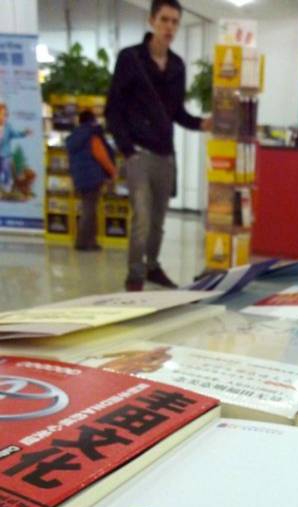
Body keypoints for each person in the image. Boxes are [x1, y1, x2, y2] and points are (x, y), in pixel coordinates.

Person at [106, 0, 211, 292]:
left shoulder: (177, 65)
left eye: (175, 22)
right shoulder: (130, 58)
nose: (170, 27)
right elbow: (113, 109)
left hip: (166, 155)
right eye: (165, 20)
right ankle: (135, 274)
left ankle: (152, 266)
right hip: (138, 152)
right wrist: (127, 149)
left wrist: (201, 123)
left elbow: (175, 111)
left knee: (158, 221)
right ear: (152, 21)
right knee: (141, 217)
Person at [66, 110, 117, 252]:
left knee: (88, 208)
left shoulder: (75, 136)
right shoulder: (92, 135)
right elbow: (101, 156)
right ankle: (83, 242)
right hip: (93, 176)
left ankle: (89, 241)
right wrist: (112, 172)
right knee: (89, 210)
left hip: (80, 177)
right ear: (92, 120)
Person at [0, 99, 32, 194]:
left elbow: (15, 134)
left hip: (5, 154)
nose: (4, 117)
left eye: (6, 114)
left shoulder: (8, 127)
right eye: (2, 114)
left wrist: (24, 133)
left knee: (6, 168)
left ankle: (7, 184)